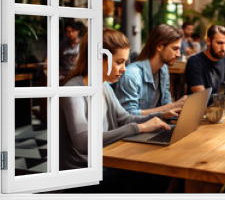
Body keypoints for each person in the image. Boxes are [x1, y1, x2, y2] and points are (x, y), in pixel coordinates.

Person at [59, 27, 177, 171]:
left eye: (124, 62)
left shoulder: (104, 86)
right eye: (119, 62)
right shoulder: (73, 91)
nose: (124, 69)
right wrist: (139, 128)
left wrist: (160, 116)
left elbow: (125, 119)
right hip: (84, 173)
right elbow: (83, 142)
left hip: (105, 161)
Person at [115, 24, 187, 115]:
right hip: (139, 128)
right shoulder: (132, 75)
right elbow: (129, 115)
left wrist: (174, 112)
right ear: (160, 46)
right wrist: (172, 106)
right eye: (175, 49)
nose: (178, 54)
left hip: (159, 126)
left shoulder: (163, 69)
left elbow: (166, 101)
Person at [185, 24, 225, 102]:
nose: (223, 48)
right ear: (208, 41)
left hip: (218, 110)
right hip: (199, 112)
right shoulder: (194, 62)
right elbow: (202, 99)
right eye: (219, 43)